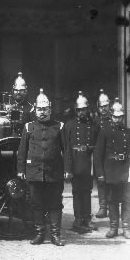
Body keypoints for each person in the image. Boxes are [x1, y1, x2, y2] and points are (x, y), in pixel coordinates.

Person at [17, 89, 70, 246]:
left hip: (54, 172)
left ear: (50, 109)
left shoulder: (59, 126)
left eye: (45, 109)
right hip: (34, 172)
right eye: (39, 109)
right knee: (37, 203)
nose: (42, 112)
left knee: (55, 203)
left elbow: (66, 150)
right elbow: (22, 151)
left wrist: (68, 170)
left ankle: (55, 235)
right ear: (35, 109)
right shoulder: (28, 127)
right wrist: (20, 170)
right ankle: (39, 234)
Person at [63, 91, 99, 234]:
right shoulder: (69, 125)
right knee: (77, 192)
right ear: (75, 110)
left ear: (87, 109)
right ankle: (78, 219)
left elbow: (97, 145)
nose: (81, 112)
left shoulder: (94, 125)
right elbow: (66, 149)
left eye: (83, 109)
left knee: (87, 191)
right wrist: (68, 169)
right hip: (75, 161)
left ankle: (87, 219)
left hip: (88, 162)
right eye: (79, 110)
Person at [95, 98, 130, 239]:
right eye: (115, 117)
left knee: (127, 200)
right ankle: (113, 227)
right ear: (111, 117)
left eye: (120, 117)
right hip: (111, 170)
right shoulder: (105, 132)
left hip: (125, 170)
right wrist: (100, 174)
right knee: (113, 200)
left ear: (123, 117)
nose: (117, 119)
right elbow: (98, 155)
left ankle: (126, 228)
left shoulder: (128, 132)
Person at [93, 88, 112, 219]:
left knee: (111, 181)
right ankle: (103, 207)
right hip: (99, 156)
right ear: (98, 107)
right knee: (100, 181)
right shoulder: (95, 122)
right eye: (101, 107)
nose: (104, 109)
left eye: (106, 106)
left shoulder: (115, 120)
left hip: (111, 156)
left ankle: (112, 208)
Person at [10, 72, 35, 136]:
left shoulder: (31, 109)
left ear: (25, 91)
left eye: (21, 90)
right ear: (13, 90)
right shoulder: (7, 107)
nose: (18, 92)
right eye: (16, 90)